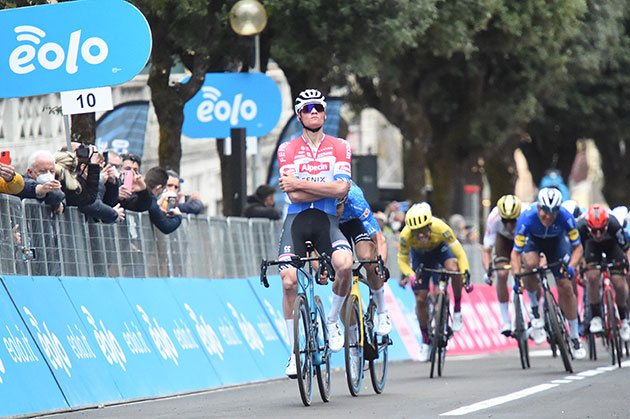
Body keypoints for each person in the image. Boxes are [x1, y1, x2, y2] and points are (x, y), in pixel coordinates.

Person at [277, 89, 353, 378]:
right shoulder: (286, 149)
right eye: (307, 108)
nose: (314, 112)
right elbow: (294, 197)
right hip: (296, 220)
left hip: (326, 219)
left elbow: (341, 189)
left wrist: (300, 181)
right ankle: (294, 352)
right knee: (288, 281)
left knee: (345, 265)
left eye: (318, 108)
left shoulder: (340, 146)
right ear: (299, 115)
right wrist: (325, 186)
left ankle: (333, 318)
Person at [510, 187, 586, 359]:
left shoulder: (566, 217)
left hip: (556, 244)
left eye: (553, 212)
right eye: (545, 212)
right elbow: (515, 253)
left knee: (565, 285)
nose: (549, 216)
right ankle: (535, 308)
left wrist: (572, 267)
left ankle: (574, 336)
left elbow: (577, 247)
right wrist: (516, 277)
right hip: (533, 243)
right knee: (529, 264)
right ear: (539, 208)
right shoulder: (526, 218)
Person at [398, 202, 471, 362]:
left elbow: (460, 254)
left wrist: (465, 275)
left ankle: (457, 309)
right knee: (420, 298)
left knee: (453, 268)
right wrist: (410, 275)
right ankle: (425, 341)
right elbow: (402, 261)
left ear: (430, 225)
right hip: (420, 257)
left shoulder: (442, 228)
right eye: (416, 232)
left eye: (423, 230)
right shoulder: (405, 235)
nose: (421, 235)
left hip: (440, 251)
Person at [338, 183, 391, 336]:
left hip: (356, 222)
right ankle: (353, 343)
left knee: (367, 258)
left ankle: (382, 311)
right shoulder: (322, 197)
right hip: (335, 225)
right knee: (341, 271)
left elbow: (379, 238)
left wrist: (381, 265)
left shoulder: (356, 199)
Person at [577, 205, 630, 341]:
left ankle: (623, 319)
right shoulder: (581, 227)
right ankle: (596, 316)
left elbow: (626, 249)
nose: (598, 235)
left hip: (612, 246)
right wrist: (582, 268)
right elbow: (578, 251)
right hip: (591, 247)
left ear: (606, 225)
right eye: (594, 231)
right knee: (593, 277)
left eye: (601, 230)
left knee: (619, 283)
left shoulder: (613, 224)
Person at [482, 194, 522, 335]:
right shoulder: (493, 219)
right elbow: (487, 251)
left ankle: (536, 311)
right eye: (505, 221)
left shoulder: (526, 215)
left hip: (522, 238)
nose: (509, 225)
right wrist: (488, 271)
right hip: (503, 240)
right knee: (502, 273)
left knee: (528, 270)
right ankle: (506, 320)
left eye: (513, 221)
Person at [145, 167, 182, 234]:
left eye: (176, 187)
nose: (172, 189)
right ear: (159, 188)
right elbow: (166, 226)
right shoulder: (151, 202)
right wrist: (178, 217)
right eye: (169, 185)